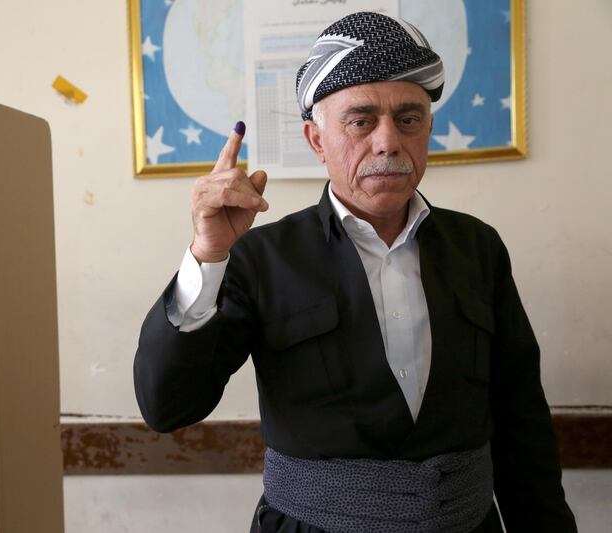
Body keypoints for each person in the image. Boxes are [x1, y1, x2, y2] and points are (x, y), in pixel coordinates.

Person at [134, 11, 576, 533]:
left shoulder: (477, 247)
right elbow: (167, 407)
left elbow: (520, 419)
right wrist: (207, 255)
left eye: (408, 119)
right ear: (317, 140)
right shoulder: (262, 257)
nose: (388, 141)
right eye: (361, 121)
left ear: (428, 130)